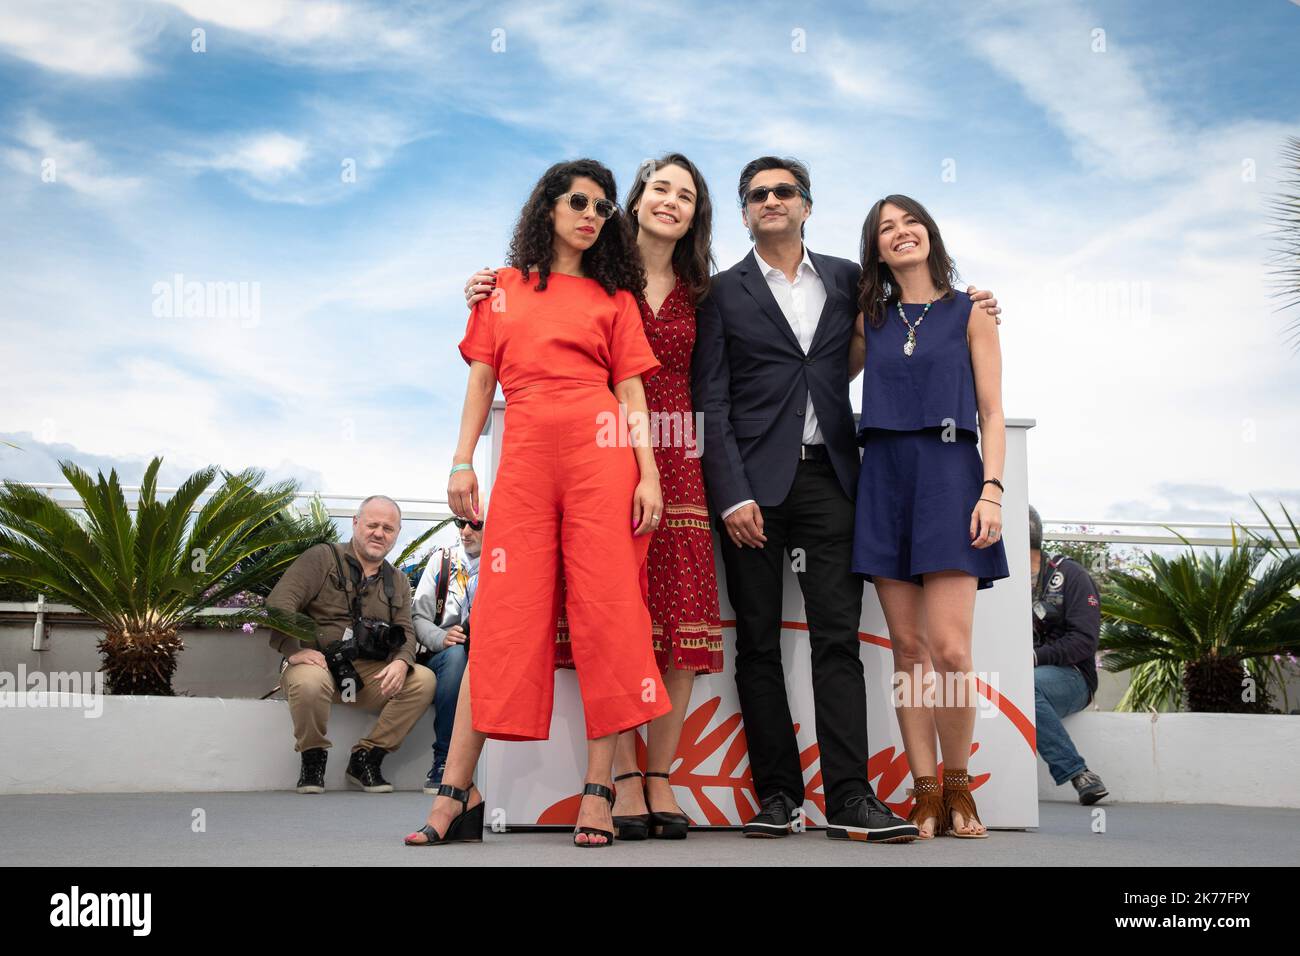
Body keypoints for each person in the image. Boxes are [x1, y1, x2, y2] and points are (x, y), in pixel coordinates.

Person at [693, 156, 998, 843]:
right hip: (752, 492)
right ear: (744, 212)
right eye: (757, 194)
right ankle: (777, 796)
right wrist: (731, 493)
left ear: (806, 204)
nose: (771, 200)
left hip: (836, 481)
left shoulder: (850, 282)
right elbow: (709, 399)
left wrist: (978, 304)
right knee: (759, 645)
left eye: (784, 191)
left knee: (841, 642)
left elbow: (924, 312)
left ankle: (851, 798)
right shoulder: (720, 292)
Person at [405, 158, 672, 849]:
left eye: (603, 207)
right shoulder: (502, 290)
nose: (591, 214)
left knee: (610, 617)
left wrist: (648, 473)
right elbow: (481, 378)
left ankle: (599, 788)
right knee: (501, 619)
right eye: (578, 201)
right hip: (523, 460)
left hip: (602, 458)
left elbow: (633, 394)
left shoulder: (616, 297)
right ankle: (456, 792)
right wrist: (462, 459)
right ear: (547, 207)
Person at [461, 153, 724, 840]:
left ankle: (640, 780)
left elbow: (694, 381)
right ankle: (598, 783)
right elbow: (494, 365)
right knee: (567, 614)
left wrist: (660, 470)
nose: (670, 201)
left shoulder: (700, 290)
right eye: (658, 188)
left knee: (657, 620)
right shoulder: (563, 278)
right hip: (581, 455)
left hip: (660, 456)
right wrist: (485, 292)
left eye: (686, 194)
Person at [851, 194, 1010, 838]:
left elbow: (994, 411)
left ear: (929, 233)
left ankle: (958, 787)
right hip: (883, 480)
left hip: (951, 479)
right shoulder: (870, 319)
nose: (899, 233)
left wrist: (992, 490)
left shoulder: (973, 312)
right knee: (908, 648)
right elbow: (814, 370)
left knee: (951, 649)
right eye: (885, 229)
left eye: (909, 221)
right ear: (877, 250)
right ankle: (922, 793)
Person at [267, 495, 435, 794]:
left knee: (422, 680)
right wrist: (294, 650)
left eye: (388, 528)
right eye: (372, 524)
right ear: (355, 523)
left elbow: (406, 630)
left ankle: (366, 757)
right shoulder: (321, 558)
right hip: (318, 666)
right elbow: (281, 603)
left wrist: (401, 661)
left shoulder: (395, 579)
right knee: (308, 681)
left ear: (397, 535)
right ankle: (313, 757)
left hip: (364, 674)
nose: (379, 533)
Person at [1028, 505, 1108, 804]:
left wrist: (1035, 658)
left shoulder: (1069, 574)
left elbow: (1084, 641)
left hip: (1073, 676)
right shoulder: (999, 581)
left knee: (1025, 686)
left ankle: (1079, 773)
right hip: (1016, 672)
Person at [411, 514, 481, 792]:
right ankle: (444, 761)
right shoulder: (443, 560)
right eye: (459, 523)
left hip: (488, 649)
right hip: (446, 652)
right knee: (456, 658)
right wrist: (442, 638)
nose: (465, 532)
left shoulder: (502, 562)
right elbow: (418, 618)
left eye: (475, 525)